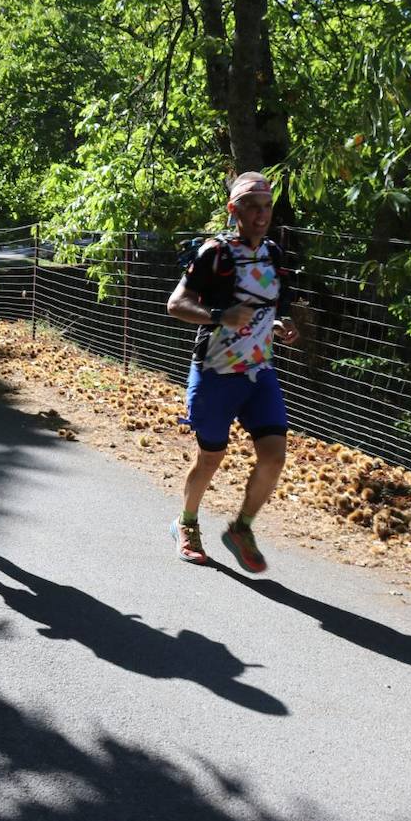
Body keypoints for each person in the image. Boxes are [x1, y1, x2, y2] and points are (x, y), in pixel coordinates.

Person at [165, 172, 300, 573]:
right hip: (215, 373)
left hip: (259, 372)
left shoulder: (273, 253)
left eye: (267, 207)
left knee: (274, 456)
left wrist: (281, 324)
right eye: (253, 207)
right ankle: (185, 523)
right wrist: (220, 316)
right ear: (234, 210)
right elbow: (176, 304)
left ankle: (241, 528)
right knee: (211, 457)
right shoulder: (215, 254)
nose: (262, 215)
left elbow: (274, 306)